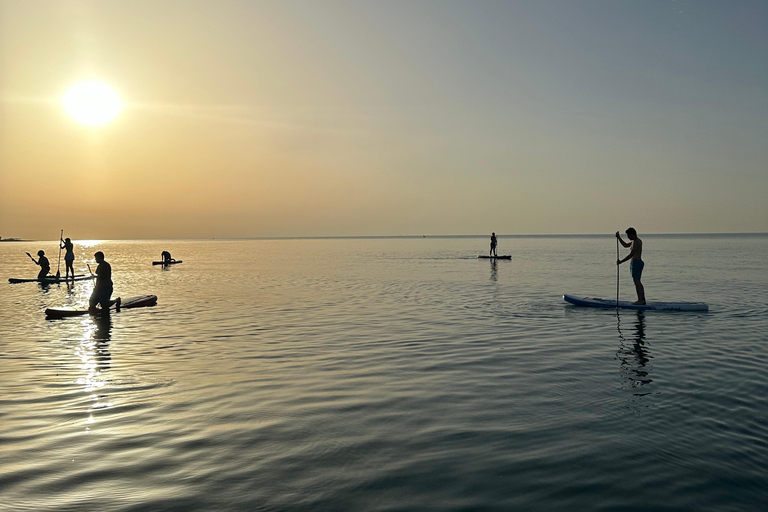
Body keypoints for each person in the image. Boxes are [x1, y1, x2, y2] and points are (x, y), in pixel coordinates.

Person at [616, 227, 646, 305]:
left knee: (637, 281)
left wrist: (621, 261)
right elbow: (625, 245)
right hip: (634, 263)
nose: (628, 237)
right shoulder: (633, 242)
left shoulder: (637, 242)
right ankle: (641, 299)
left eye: (628, 235)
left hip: (637, 262)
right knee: (636, 281)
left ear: (632, 234)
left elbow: (631, 254)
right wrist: (619, 237)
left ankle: (641, 300)